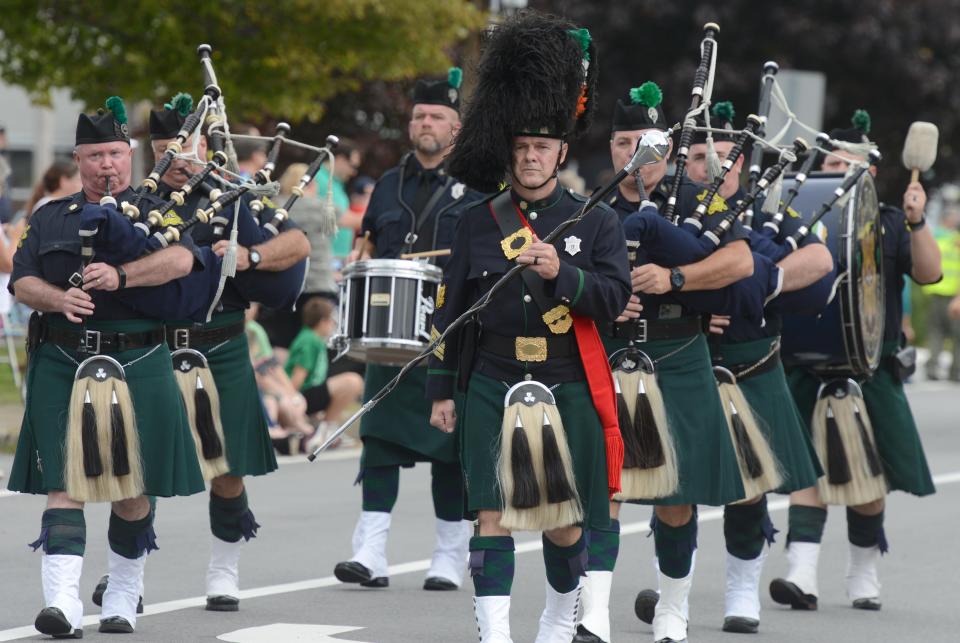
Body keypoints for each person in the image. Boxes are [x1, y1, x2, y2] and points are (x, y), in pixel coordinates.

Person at [430, 14, 631, 641]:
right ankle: (495, 634)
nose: (530, 158)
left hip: (565, 377)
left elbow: (614, 296)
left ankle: (556, 617)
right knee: (490, 514)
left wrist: (563, 275)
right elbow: (449, 311)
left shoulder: (593, 222)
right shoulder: (475, 221)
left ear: (562, 152)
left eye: (542, 148)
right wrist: (441, 389)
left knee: (564, 523)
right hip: (491, 375)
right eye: (520, 148)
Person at [90, 94, 311, 614]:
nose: (174, 162)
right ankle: (128, 580)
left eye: (183, 149)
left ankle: (224, 571)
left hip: (223, 345)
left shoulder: (235, 199)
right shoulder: (136, 205)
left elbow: (297, 245)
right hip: (154, 348)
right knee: (139, 469)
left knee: (227, 469)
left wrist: (249, 254)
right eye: (164, 152)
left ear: (205, 146)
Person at [8, 97, 207, 636]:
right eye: (94, 155)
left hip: (138, 356)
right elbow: (21, 279)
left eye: (115, 153)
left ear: (131, 156)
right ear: (78, 159)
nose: (106, 165)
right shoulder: (51, 217)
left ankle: (122, 589)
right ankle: (64, 604)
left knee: (132, 488)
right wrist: (56, 299)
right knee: (65, 484)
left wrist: (123, 278)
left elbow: (183, 260)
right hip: (64, 359)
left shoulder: (161, 211)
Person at [575, 83, 755, 643]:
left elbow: (740, 263)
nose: (636, 154)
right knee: (598, 488)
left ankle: (673, 611)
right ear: (611, 149)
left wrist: (674, 277)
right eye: (624, 141)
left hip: (677, 353)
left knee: (677, 496)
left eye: (646, 142)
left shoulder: (703, 202)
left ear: (668, 147)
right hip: (608, 355)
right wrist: (603, 295)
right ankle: (592, 615)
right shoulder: (590, 211)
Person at [771, 109, 942, 613]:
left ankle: (862, 571)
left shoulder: (890, 221)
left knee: (870, 480)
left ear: (868, 171)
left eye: (850, 163)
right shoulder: (799, 217)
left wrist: (917, 219)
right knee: (807, 472)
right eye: (832, 161)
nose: (839, 170)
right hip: (808, 360)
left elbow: (930, 273)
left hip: (871, 363)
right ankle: (800, 576)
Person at [332, 64, 482, 594]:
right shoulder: (389, 184)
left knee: (449, 450)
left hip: (452, 333)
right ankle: (370, 551)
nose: (425, 123)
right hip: (391, 338)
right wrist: (354, 263)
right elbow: (369, 243)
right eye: (419, 114)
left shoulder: (479, 184)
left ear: (456, 127)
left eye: (436, 115)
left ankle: (448, 555)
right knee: (378, 439)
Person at [686, 101, 831, 635]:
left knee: (749, 487)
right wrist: (706, 297)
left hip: (748, 367)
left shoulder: (766, 216)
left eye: (725, 158)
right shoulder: (670, 211)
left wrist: (760, 284)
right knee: (672, 486)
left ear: (742, 167)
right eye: (702, 158)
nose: (714, 168)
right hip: (682, 365)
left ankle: (741, 590)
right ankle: (671, 587)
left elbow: (818, 262)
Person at [285, 297, 363, 444]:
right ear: (322, 321)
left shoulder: (314, 339)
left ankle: (326, 428)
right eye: (331, 320)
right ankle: (326, 430)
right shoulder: (309, 341)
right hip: (302, 396)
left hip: (310, 394)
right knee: (353, 381)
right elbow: (297, 379)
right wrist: (294, 408)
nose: (334, 324)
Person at [921, 207, 960, 380]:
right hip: (953, 294)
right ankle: (956, 371)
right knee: (957, 333)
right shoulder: (956, 240)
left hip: (935, 290)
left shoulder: (934, 238)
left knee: (935, 331)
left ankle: (932, 368)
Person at [316, 138, 362, 269]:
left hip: (335, 261)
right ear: (340, 159)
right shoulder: (317, 178)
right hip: (324, 262)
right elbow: (335, 217)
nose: (354, 172)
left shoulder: (336, 184)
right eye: (353, 166)